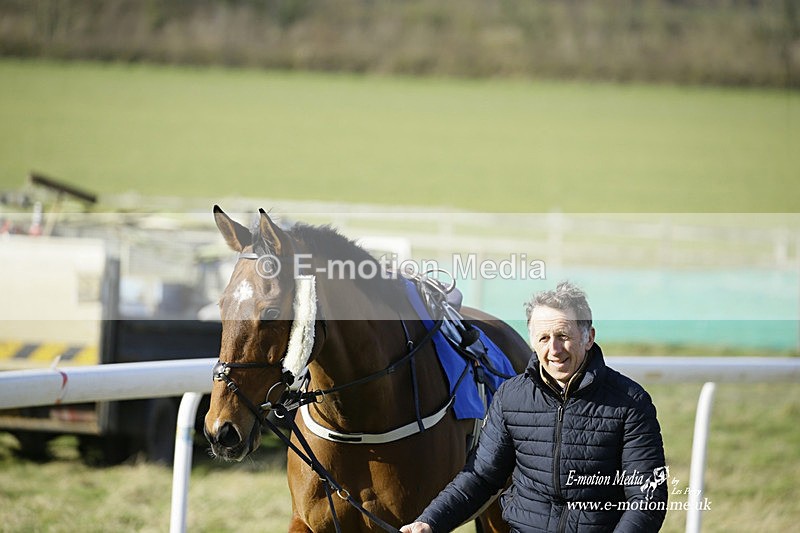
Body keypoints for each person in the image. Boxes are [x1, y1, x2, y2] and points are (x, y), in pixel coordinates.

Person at [401, 281, 667, 532]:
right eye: (543, 338)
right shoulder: (510, 397)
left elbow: (647, 498)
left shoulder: (631, 402)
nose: (554, 349)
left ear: (588, 338)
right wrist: (430, 522)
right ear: (531, 341)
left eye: (563, 335)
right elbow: (482, 478)